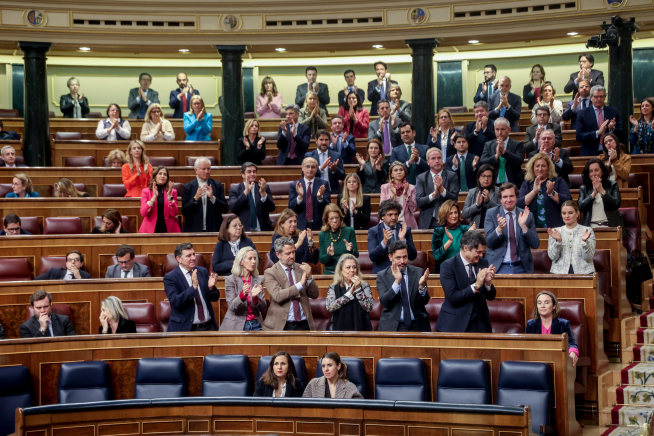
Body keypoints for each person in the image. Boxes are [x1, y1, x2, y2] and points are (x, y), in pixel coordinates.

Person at [435, 231, 497, 333]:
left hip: (481, 323)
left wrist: (487, 283)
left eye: (482, 252)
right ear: (466, 248)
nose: (481, 255)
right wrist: (476, 285)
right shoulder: (448, 266)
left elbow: (491, 297)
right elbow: (453, 297)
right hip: (456, 323)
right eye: (478, 252)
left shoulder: (483, 262)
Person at [263, 236, 320, 331]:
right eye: (288, 253)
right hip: (283, 325)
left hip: (304, 324)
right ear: (278, 255)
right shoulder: (270, 272)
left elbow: (315, 295)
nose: (292, 256)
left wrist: (310, 277)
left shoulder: (301, 269)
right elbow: (278, 296)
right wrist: (300, 285)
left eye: (293, 252)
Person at [484, 183, 540, 274]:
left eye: (511, 196)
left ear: (517, 197)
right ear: (501, 199)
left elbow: (535, 244)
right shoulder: (491, 213)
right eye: (505, 197)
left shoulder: (527, 215)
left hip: (522, 266)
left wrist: (524, 226)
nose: (508, 200)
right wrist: (499, 230)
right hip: (498, 266)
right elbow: (489, 243)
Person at [163, 243, 220, 332]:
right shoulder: (171, 277)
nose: (193, 258)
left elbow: (214, 298)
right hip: (186, 328)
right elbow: (175, 302)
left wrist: (211, 288)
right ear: (179, 259)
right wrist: (193, 288)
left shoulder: (202, 271)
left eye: (193, 254)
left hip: (208, 326)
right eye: (188, 256)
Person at [376, 241, 431, 332]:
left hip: (417, 325)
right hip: (393, 326)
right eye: (398, 258)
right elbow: (385, 302)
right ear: (390, 257)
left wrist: (421, 287)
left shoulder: (418, 272)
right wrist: (397, 282)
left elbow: (424, 301)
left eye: (405, 257)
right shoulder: (382, 276)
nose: (402, 261)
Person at [526, 291, 580, 367]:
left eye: (546, 302)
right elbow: (526, 345)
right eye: (539, 303)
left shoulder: (563, 324)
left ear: (554, 306)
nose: (542, 306)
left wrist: (573, 353)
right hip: (536, 362)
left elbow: (571, 343)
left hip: (557, 362)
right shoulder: (531, 324)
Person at [518, 153, 572, 228]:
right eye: (537, 166)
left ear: (548, 168)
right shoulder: (526, 184)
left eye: (543, 166)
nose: (540, 169)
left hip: (555, 228)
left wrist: (552, 193)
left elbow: (568, 201)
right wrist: (534, 192)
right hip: (532, 229)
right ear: (532, 168)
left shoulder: (558, 181)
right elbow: (519, 203)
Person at [220, 247, 267, 331]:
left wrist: (255, 298)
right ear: (241, 262)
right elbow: (232, 307)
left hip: (256, 323)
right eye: (250, 258)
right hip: (236, 324)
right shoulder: (231, 280)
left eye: (255, 258)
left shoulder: (258, 280)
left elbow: (263, 308)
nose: (253, 261)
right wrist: (242, 295)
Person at [368, 199, 418, 273]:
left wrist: (403, 240)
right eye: (390, 215)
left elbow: (413, 256)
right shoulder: (374, 231)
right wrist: (384, 243)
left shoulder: (405, 229)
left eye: (396, 214)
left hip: (402, 270)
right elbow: (373, 257)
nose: (394, 218)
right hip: (382, 272)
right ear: (382, 217)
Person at [326, 254, 373, 331]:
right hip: (340, 331)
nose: (352, 270)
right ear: (341, 270)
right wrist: (348, 295)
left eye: (354, 267)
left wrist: (358, 289)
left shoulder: (364, 286)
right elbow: (330, 307)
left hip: (362, 329)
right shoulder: (334, 287)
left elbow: (369, 307)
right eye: (348, 267)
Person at [547, 201, 596, 275]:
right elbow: (553, 257)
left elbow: (588, 257)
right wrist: (558, 242)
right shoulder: (555, 231)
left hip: (584, 273)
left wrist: (584, 242)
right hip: (559, 273)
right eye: (564, 213)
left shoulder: (587, 231)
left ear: (577, 213)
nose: (567, 216)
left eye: (570, 213)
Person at [181, 157, 228, 232]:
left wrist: (213, 198)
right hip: (193, 230)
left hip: (214, 229)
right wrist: (195, 199)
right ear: (196, 170)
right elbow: (185, 212)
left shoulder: (217, 185)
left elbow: (225, 209)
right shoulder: (187, 187)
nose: (206, 171)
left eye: (208, 169)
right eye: (203, 169)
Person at [416, 147, 459, 229]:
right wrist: (434, 193)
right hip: (428, 221)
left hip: (448, 220)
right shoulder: (421, 178)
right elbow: (419, 202)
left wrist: (442, 190)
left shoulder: (451, 176)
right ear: (428, 162)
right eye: (433, 158)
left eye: (439, 158)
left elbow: (454, 199)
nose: (437, 161)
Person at [575, 85, 623, 156]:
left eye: (601, 96)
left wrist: (612, 129)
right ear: (591, 98)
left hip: (610, 152)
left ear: (605, 98)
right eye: (596, 97)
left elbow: (621, 134)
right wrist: (597, 132)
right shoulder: (582, 113)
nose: (599, 99)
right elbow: (579, 136)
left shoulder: (613, 112)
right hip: (590, 152)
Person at [431, 200, 477, 273]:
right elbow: (436, 256)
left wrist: (470, 234)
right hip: (445, 270)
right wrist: (449, 241)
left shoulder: (465, 229)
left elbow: (472, 252)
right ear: (445, 215)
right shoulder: (438, 231)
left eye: (456, 212)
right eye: (450, 213)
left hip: (463, 269)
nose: (454, 216)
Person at [229, 162, 275, 232]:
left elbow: (271, 208)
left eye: (254, 172)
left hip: (263, 229)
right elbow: (232, 208)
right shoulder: (235, 190)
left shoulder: (263, 188)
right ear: (243, 175)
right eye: (249, 172)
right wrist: (246, 192)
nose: (252, 174)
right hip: (243, 230)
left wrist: (263, 193)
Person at [578, 158, 624, 229]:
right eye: (591, 171)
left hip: (610, 226)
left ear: (602, 171)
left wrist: (602, 191)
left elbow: (616, 204)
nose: (594, 174)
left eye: (596, 170)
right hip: (590, 228)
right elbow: (581, 207)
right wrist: (593, 194)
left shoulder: (612, 185)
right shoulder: (584, 188)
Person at [480, 118, 525, 188]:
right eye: (497, 129)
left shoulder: (517, 144)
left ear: (509, 130)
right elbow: (483, 162)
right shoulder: (488, 145)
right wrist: (496, 156)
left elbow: (519, 161)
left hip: (513, 184)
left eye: (502, 129)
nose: (499, 132)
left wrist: (504, 151)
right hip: (494, 185)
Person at [289, 157, 331, 231]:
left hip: (319, 225)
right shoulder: (295, 185)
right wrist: (299, 197)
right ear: (302, 168)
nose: (310, 169)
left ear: (317, 169)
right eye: (307, 166)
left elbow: (328, 206)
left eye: (313, 167)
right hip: (300, 225)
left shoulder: (323, 184)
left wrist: (320, 197)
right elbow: (291, 207)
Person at [138, 165, 180, 233]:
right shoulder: (146, 192)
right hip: (150, 229)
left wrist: (170, 197)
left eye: (165, 174)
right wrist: (154, 197)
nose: (162, 176)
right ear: (155, 176)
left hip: (169, 228)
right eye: (160, 173)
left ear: (167, 178)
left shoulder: (172, 192)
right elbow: (143, 213)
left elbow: (174, 213)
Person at [319, 204, 358, 275]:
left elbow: (356, 255)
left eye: (337, 217)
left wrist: (351, 250)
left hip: (346, 274)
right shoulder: (322, 234)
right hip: (330, 273)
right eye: (331, 218)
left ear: (340, 218)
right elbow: (322, 259)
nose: (335, 221)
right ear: (327, 220)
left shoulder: (349, 231)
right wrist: (329, 255)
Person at [306, 130, 345, 195]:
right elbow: (304, 174)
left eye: (326, 140)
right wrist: (320, 168)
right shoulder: (309, 156)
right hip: (314, 192)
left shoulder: (336, 155)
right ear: (316, 140)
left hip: (332, 192)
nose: (324, 142)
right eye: (321, 140)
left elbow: (342, 176)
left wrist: (334, 170)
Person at [381, 161, 418, 230]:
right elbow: (383, 209)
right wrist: (393, 195)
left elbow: (413, 209)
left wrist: (406, 195)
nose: (399, 172)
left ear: (404, 173)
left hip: (407, 224)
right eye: (395, 170)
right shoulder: (385, 187)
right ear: (391, 174)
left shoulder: (411, 188)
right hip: (388, 224)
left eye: (401, 170)